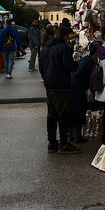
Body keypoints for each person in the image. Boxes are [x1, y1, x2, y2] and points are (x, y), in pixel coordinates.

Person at [39, 25, 78, 154]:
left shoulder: (45, 49)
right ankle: (63, 144)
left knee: (51, 115)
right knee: (63, 115)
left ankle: (52, 143)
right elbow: (69, 66)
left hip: (49, 85)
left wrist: (46, 78)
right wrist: (76, 63)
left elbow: (41, 67)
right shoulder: (64, 48)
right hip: (62, 85)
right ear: (65, 36)